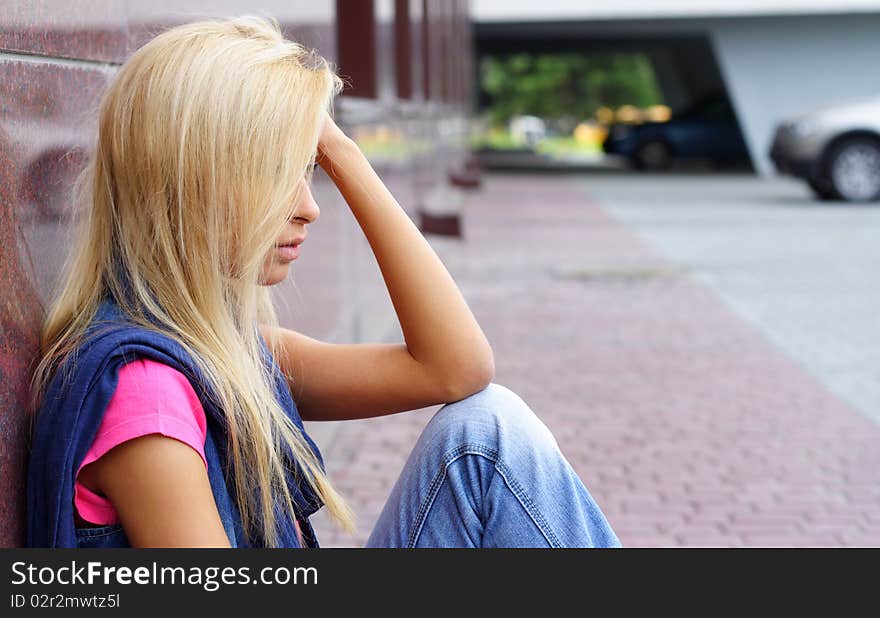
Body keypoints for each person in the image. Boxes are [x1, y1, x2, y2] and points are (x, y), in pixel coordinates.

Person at [25, 15, 620, 549]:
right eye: (275, 173)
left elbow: (457, 369)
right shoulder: (147, 394)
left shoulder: (223, 353)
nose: (309, 207)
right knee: (489, 443)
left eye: (308, 169)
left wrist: (341, 148)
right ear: (188, 185)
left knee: (486, 429)